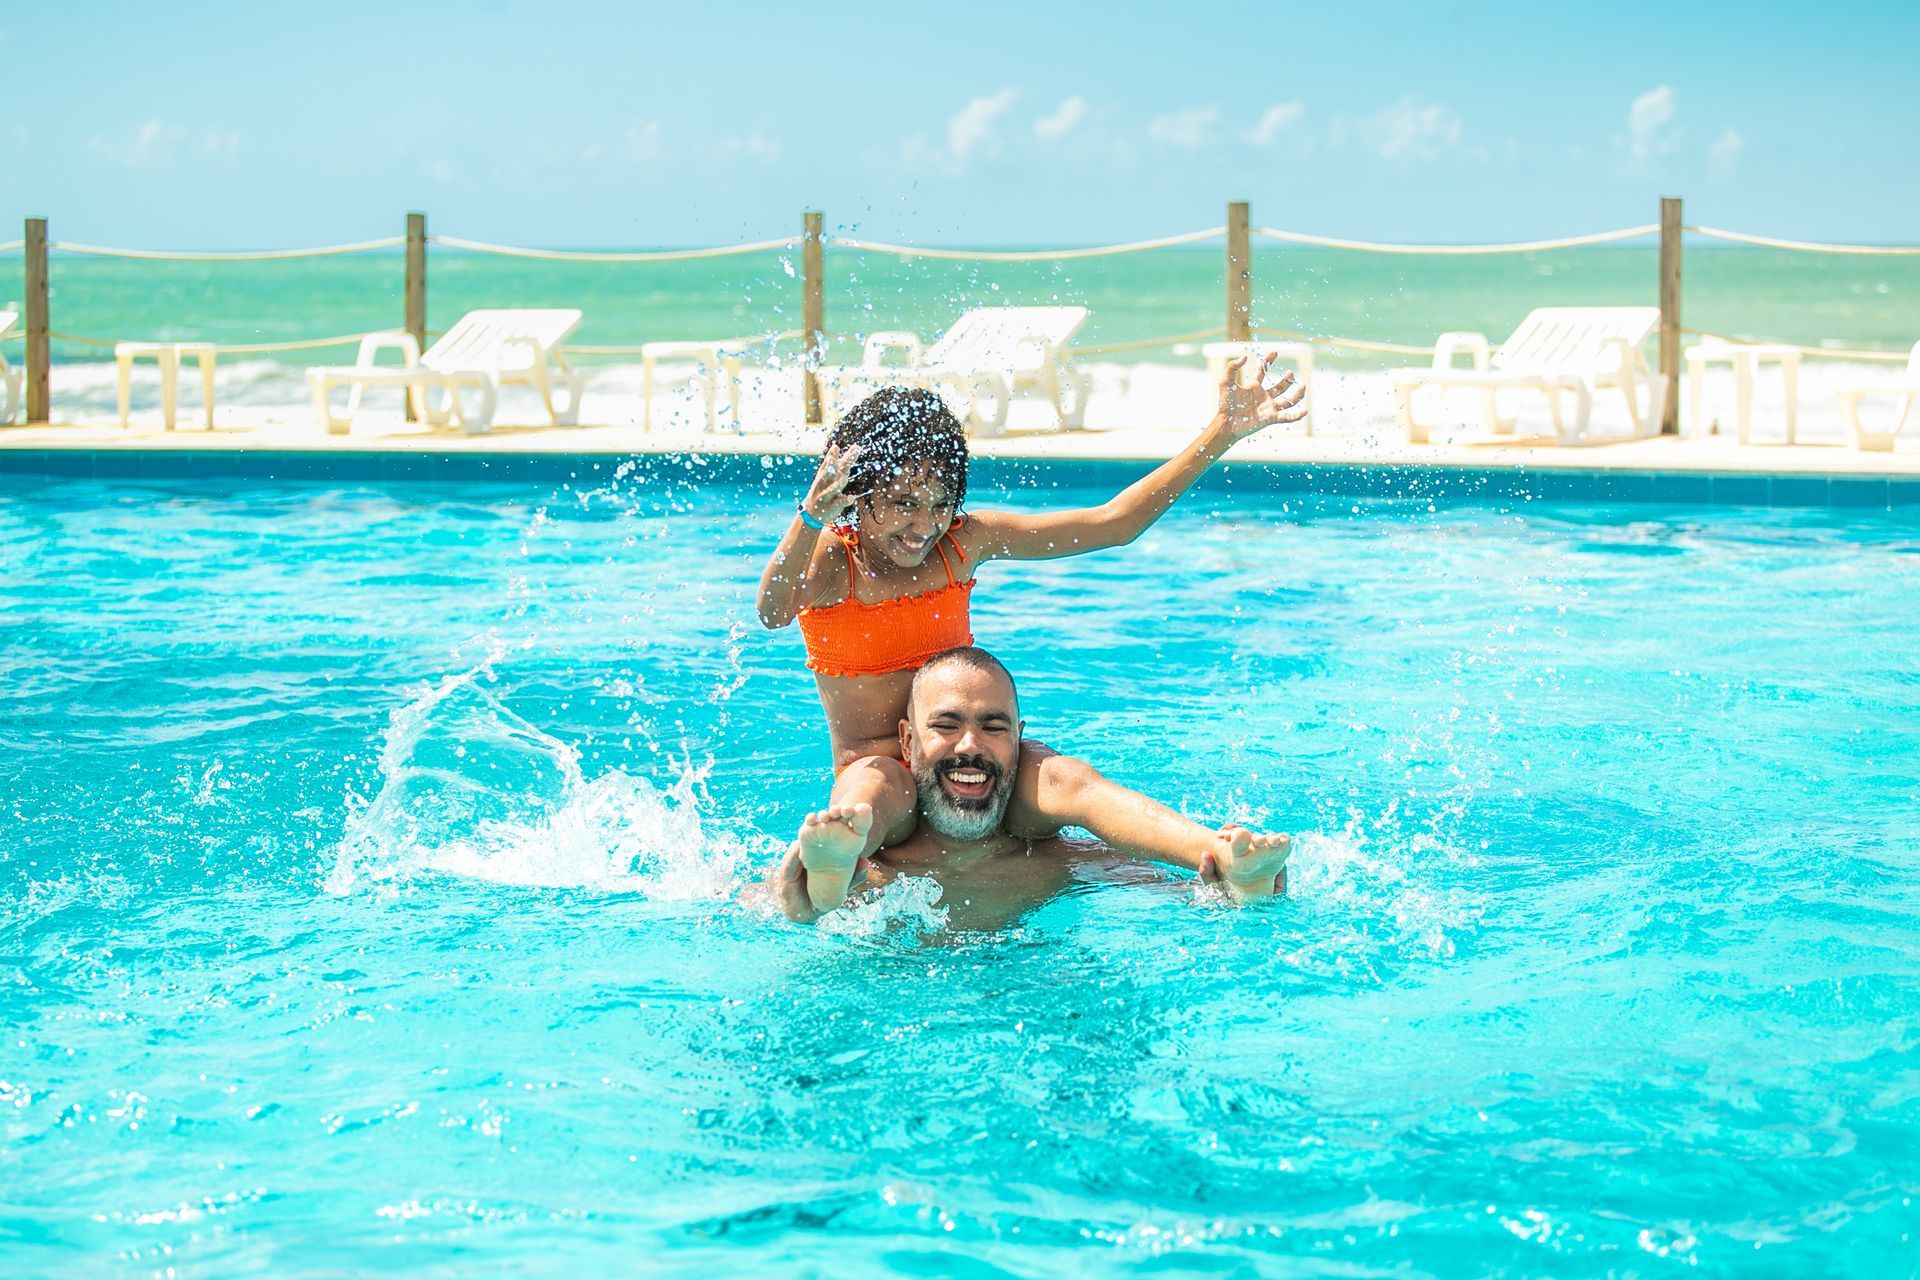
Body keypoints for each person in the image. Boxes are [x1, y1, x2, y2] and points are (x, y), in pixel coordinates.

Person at [756, 356, 1305, 915]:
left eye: (941, 506)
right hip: (884, 771)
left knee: (1068, 778)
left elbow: (1114, 523)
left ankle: (1219, 854)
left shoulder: (962, 545)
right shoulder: (831, 562)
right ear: (856, 491)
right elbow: (772, 610)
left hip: (972, 762)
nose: (923, 526)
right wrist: (810, 519)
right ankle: (829, 871)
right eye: (903, 504)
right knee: (866, 798)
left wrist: (1222, 432)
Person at [769, 646, 1291, 929]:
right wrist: (786, 902)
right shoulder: (879, 867)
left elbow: (1177, 895)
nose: (969, 746)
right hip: (877, 978)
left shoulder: (1058, 859)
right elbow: (745, 905)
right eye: (946, 726)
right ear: (907, 740)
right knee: (867, 790)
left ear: (1019, 743)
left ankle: (1221, 853)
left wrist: (1240, 895)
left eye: (993, 728)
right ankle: (824, 881)